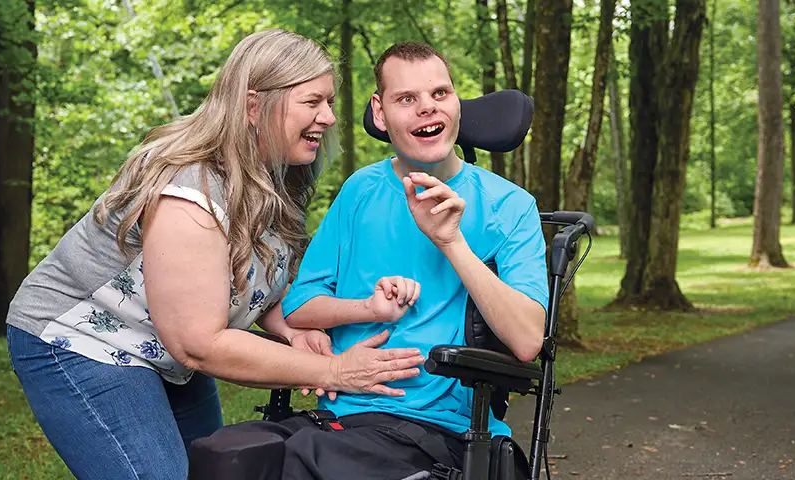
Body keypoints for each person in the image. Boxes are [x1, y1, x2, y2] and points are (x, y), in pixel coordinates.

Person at [4, 29, 428, 479]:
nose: (327, 117)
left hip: (166, 347)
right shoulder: (192, 188)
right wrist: (334, 370)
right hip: (82, 340)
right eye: (312, 102)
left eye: (328, 102)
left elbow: (258, 278)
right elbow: (200, 343)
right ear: (252, 106)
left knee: (214, 471)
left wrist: (292, 330)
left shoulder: (278, 176)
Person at [193, 41, 549, 479]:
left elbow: (529, 340)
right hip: (341, 413)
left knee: (303, 463)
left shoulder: (511, 206)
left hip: (436, 428)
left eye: (440, 94)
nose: (427, 109)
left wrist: (452, 242)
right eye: (407, 99)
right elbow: (300, 307)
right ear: (380, 113)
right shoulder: (361, 190)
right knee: (226, 456)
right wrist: (369, 308)